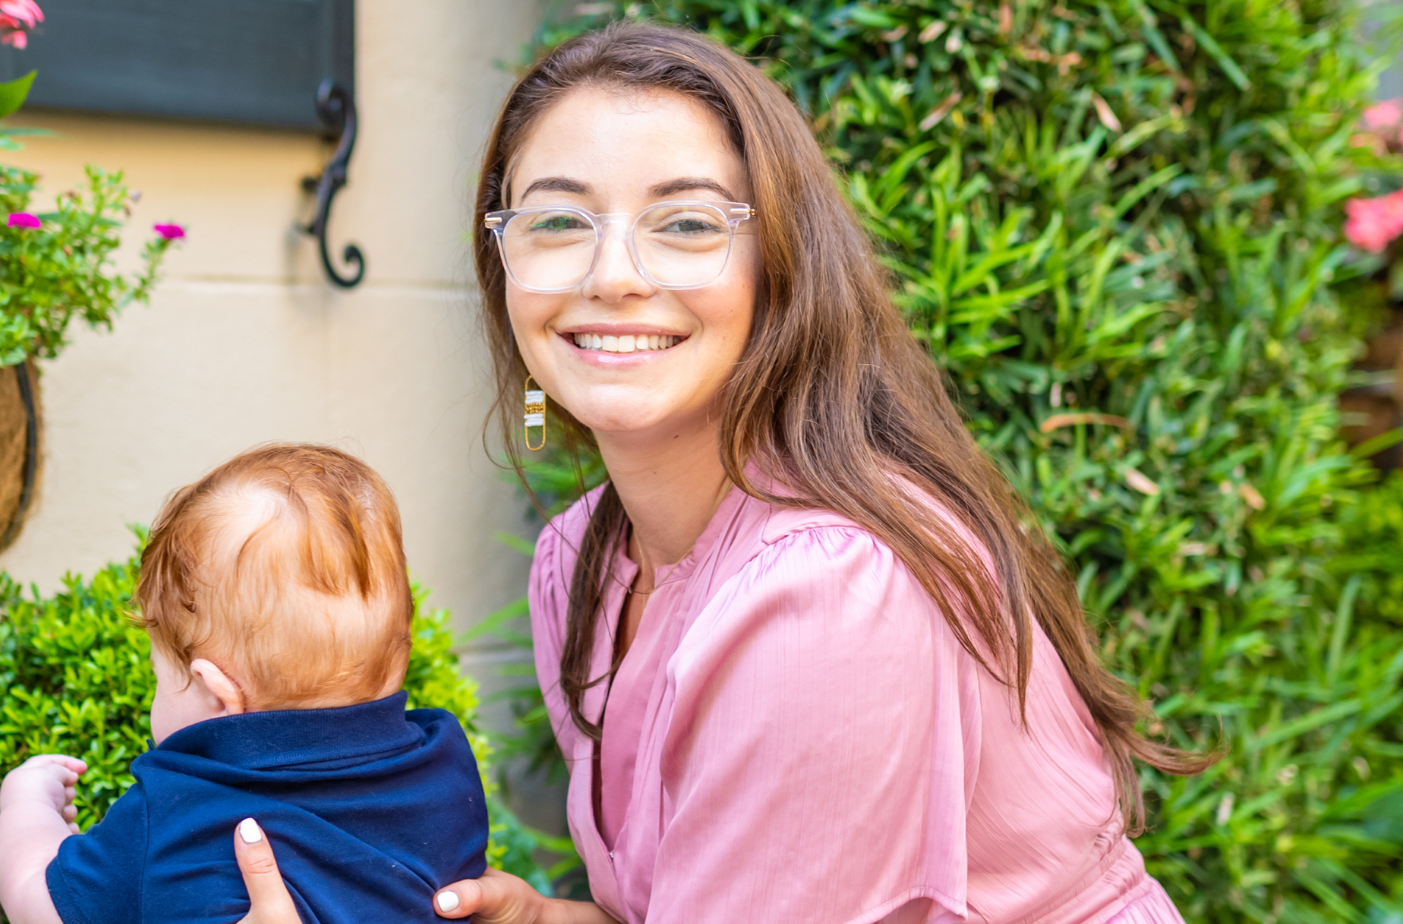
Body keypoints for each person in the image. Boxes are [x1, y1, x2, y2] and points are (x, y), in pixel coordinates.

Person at [230, 21, 1213, 924]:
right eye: (557, 222)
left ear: (778, 269)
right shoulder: (581, 560)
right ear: (503, 268)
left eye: (688, 224)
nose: (612, 276)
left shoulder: (825, 598)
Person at [0, 444, 488, 924]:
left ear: (215, 693)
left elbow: (36, 903)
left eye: (159, 676)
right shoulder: (446, 767)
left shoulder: (175, 816)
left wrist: (27, 804)